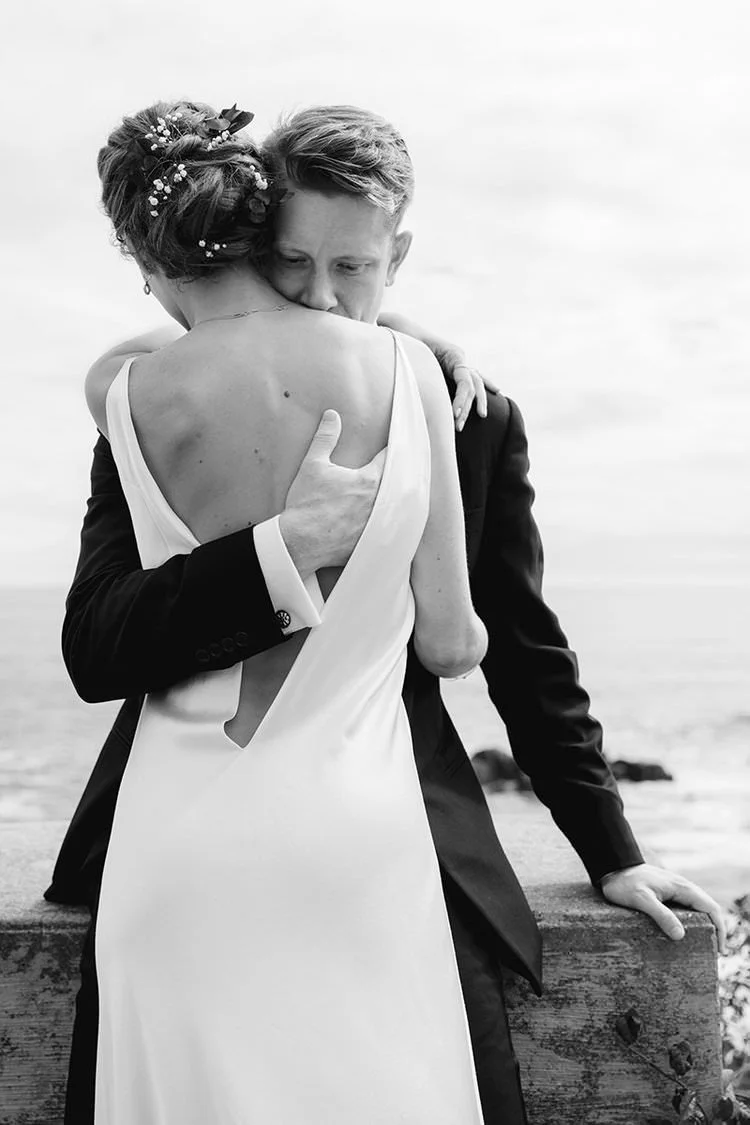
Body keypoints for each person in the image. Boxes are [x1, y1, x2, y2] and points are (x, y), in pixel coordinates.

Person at [47, 104, 726, 1124]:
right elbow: (102, 641)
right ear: (249, 242)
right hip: (297, 851)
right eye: (293, 264)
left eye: (353, 270)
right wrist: (282, 548)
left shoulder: (473, 412)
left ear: (397, 254)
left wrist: (613, 850)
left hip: (330, 842)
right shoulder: (366, 382)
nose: (323, 294)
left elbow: (529, 648)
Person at [77, 97, 495, 1124]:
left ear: (150, 257)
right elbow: (450, 643)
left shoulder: (122, 392)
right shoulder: (409, 374)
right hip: (354, 843)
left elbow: (161, 341)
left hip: (174, 851)